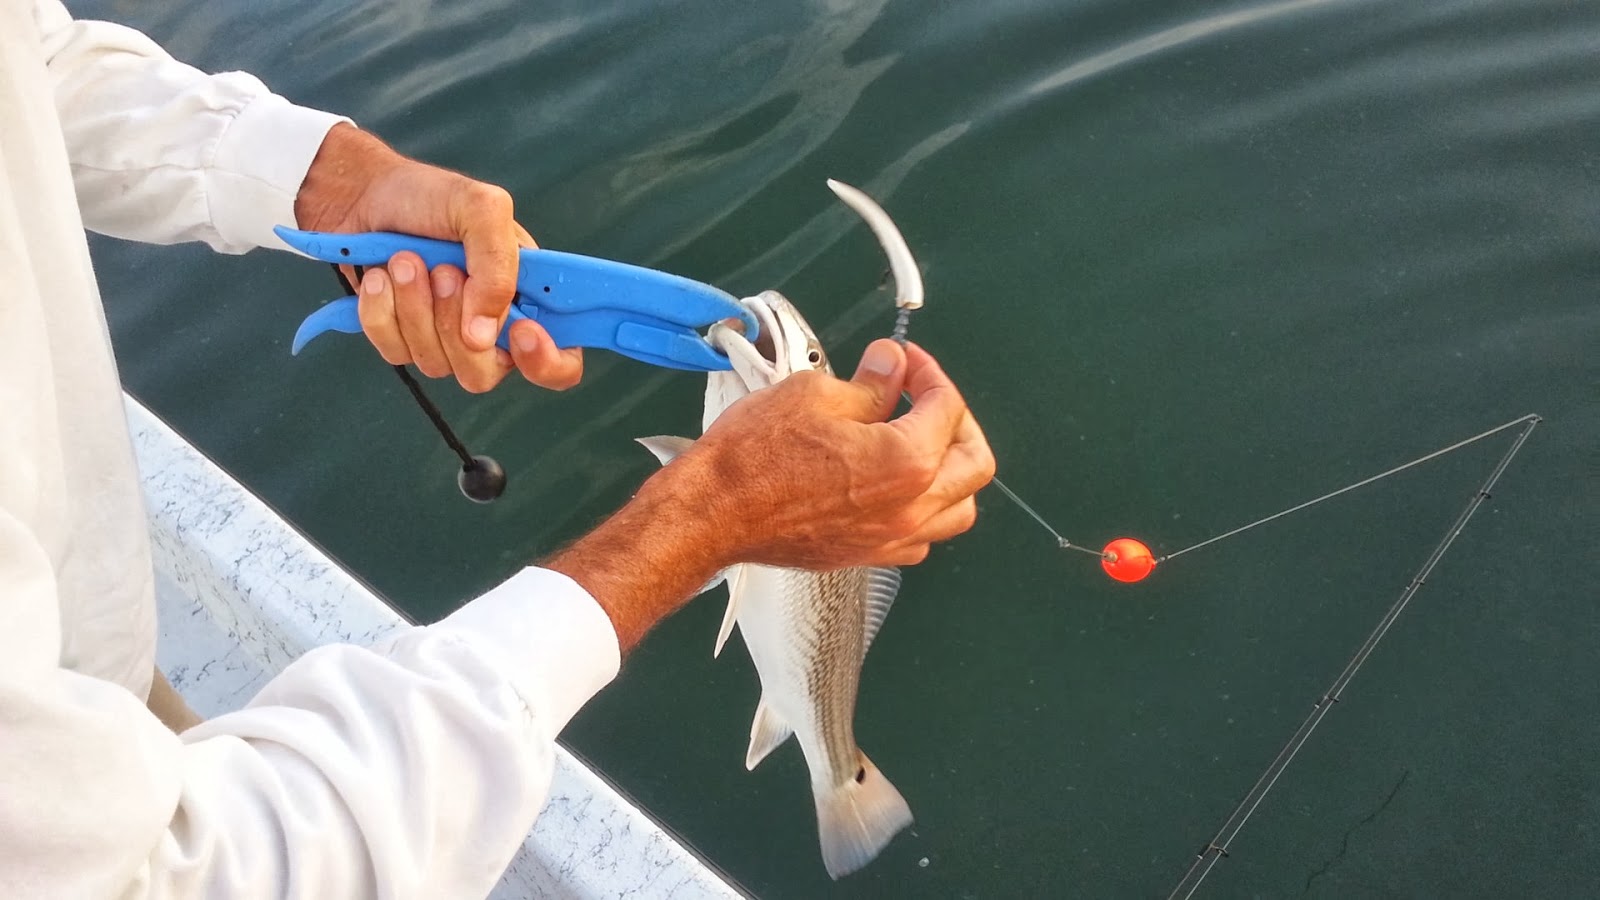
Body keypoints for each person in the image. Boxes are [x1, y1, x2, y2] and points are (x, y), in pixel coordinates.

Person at [0, 2, 995, 897]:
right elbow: (174, 878)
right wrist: (703, 520)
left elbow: (30, 63)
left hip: (95, 680)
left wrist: (332, 179)